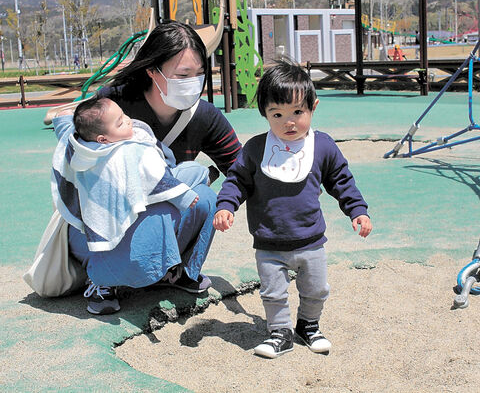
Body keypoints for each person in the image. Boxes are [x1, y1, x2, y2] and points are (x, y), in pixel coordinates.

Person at [60, 21, 242, 315]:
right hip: (104, 222)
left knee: (206, 198)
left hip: (159, 214)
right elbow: (75, 152)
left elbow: (241, 169)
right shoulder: (113, 104)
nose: (193, 82)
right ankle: (102, 277)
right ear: (152, 71)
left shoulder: (204, 116)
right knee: (163, 206)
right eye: (183, 75)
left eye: (199, 74)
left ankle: (179, 270)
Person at [213, 60, 372, 359]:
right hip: (269, 242)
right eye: (277, 114)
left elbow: (341, 181)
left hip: (311, 241)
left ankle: (308, 325)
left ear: (313, 107)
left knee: (316, 290)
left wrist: (357, 211)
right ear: (265, 114)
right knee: (273, 293)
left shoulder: (322, 146)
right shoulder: (256, 149)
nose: (289, 122)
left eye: (298, 112)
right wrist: (226, 206)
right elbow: (237, 181)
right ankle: (280, 332)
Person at [52, 97, 210, 315]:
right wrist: (181, 195)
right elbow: (157, 179)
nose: (127, 121)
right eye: (119, 123)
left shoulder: (80, 144)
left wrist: (61, 118)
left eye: (123, 115)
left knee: (199, 186)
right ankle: (100, 279)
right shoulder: (125, 153)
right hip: (95, 236)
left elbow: (65, 127)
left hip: (124, 221)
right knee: (187, 189)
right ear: (103, 138)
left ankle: (173, 270)